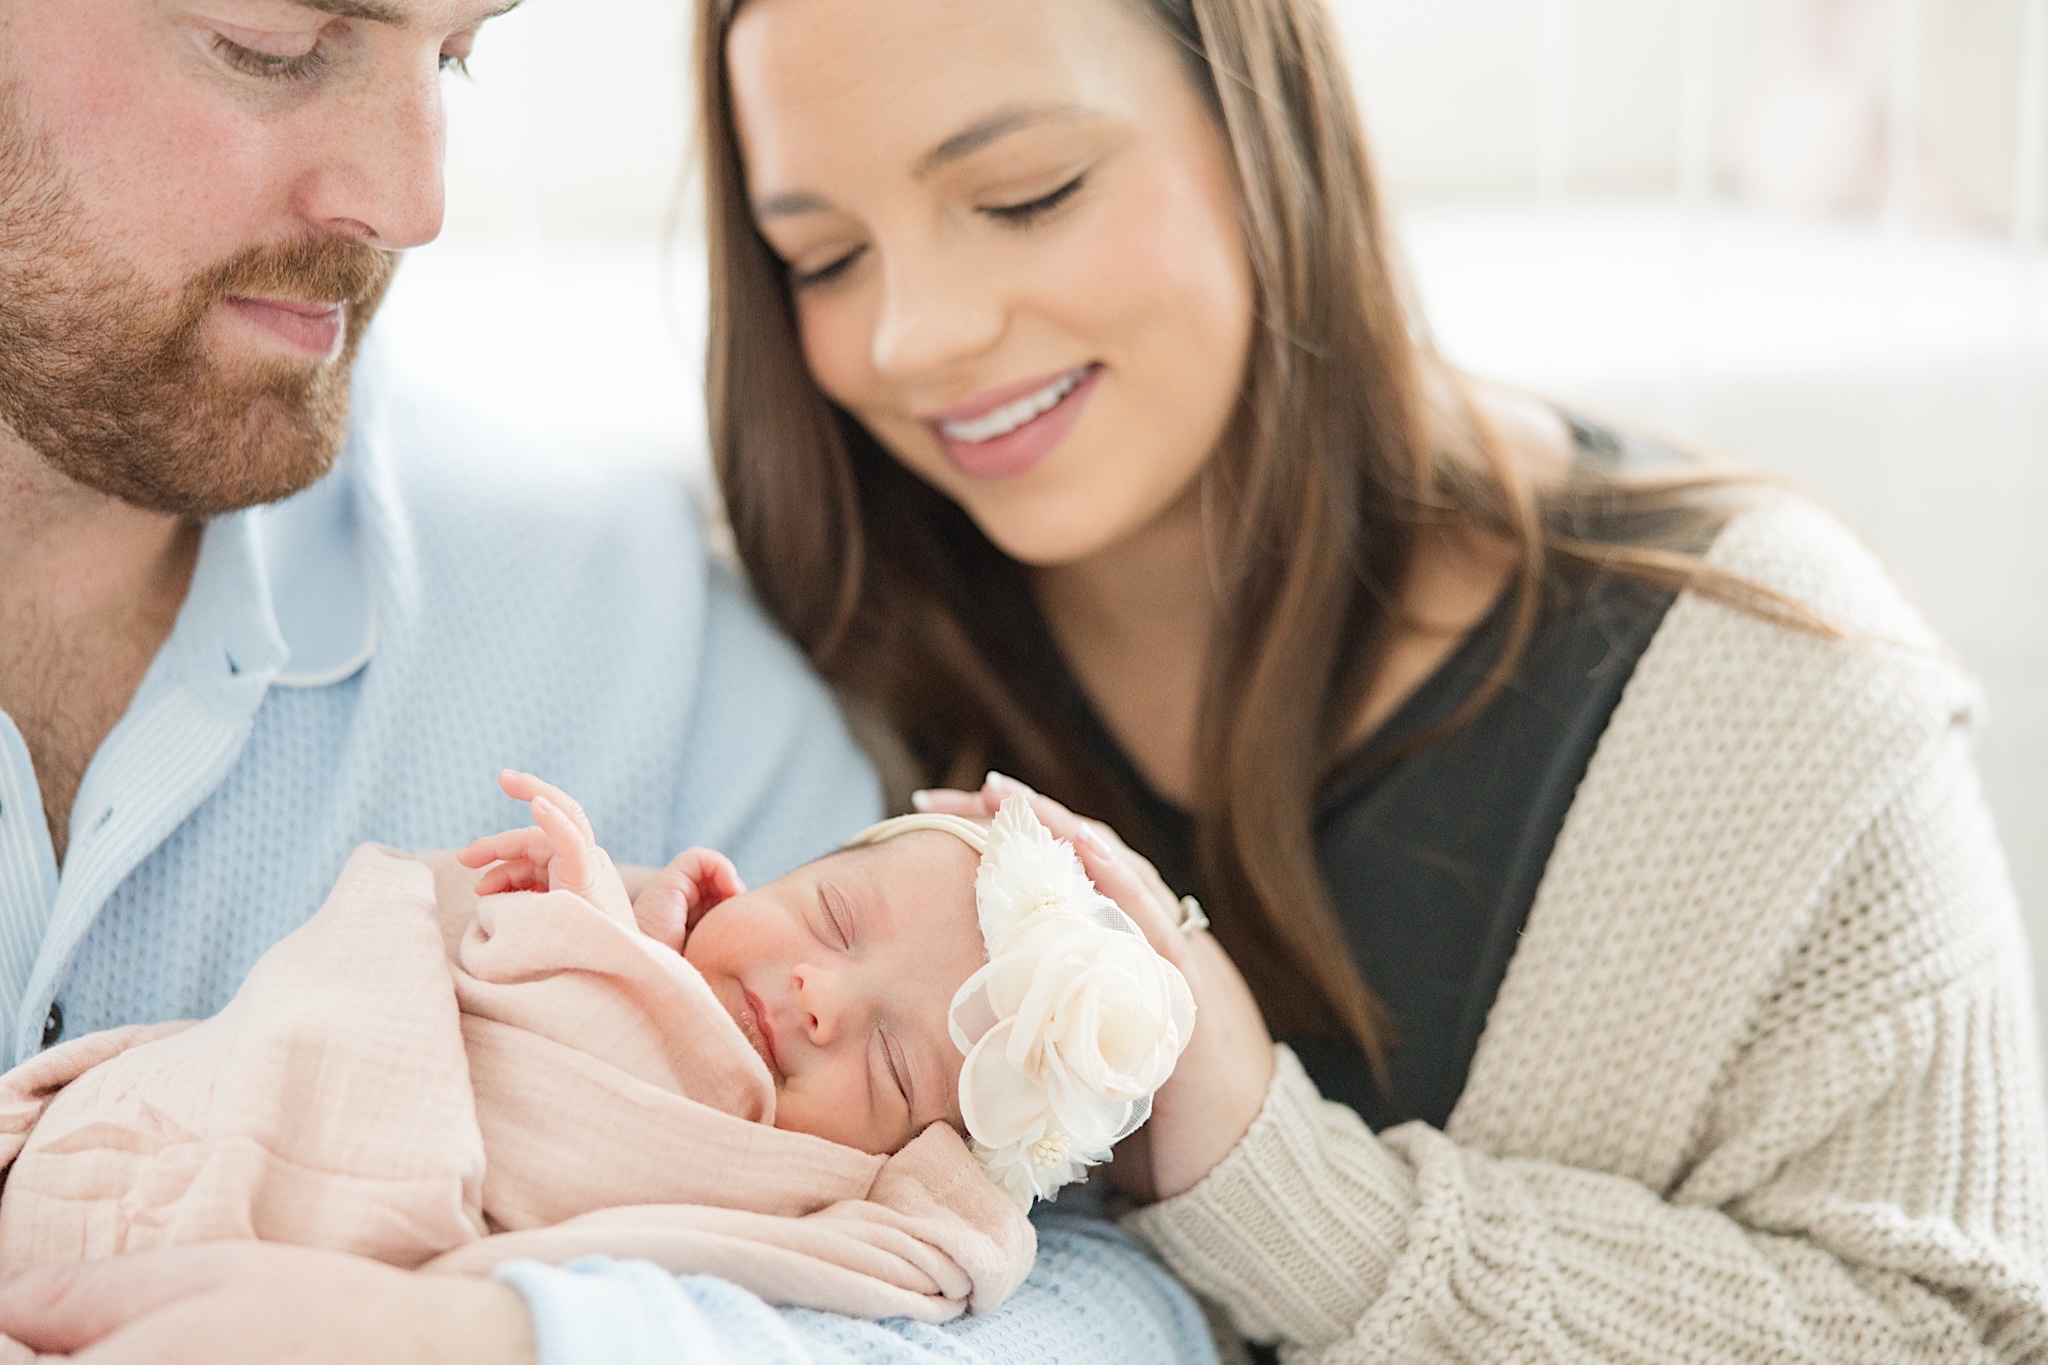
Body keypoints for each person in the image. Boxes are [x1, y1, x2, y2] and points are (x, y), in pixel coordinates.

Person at [699, 0, 2048, 1358]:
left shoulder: (1776, 689)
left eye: (1024, 195)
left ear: (1266, 124)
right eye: (824, 257)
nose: (914, 337)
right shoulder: (799, 648)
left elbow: (1960, 1333)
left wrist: (1284, 1197)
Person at [0, 3, 1215, 1363]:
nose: (415, 201)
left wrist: (510, 1340)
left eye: (455, 55)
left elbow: (1098, 1310)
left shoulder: (626, 631)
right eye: (274, 42)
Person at [0, 777, 1192, 1329]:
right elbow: (415, 941)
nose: (819, 1001)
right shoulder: (604, 905)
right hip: (152, 1137)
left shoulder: (850, 1201)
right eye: (830, 917)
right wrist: (564, 922)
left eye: (892, 1067)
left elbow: (962, 1245)